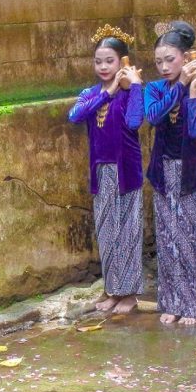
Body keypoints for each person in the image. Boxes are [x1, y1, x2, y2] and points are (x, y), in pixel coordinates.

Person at [69, 24, 146, 315]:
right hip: (102, 174)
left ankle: (129, 296)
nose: (103, 66)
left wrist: (132, 86)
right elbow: (76, 116)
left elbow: (136, 121)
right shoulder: (90, 94)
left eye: (110, 61)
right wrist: (108, 90)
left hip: (126, 172)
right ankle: (113, 290)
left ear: (123, 62)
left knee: (128, 231)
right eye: (98, 61)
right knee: (107, 231)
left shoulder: (132, 93)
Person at [144, 20, 196, 326]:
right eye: (158, 61)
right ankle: (171, 303)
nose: (163, 66)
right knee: (168, 239)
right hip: (163, 172)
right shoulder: (155, 89)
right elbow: (152, 116)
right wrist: (176, 88)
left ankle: (193, 306)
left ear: (187, 57)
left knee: (194, 240)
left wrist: (192, 90)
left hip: (194, 173)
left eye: (170, 60)